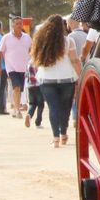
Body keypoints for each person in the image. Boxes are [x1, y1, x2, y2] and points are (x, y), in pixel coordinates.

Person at [31, 14, 81, 147]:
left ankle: (55, 137)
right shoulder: (68, 41)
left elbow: (35, 60)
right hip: (67, 78)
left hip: (47, 79)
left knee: (53, 108)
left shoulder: (41, 40)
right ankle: (63, 133)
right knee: (66, 108)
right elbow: (74, 60)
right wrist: (80, 75)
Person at [0, 18, 33, 119]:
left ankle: (15, 107)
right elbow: (0, 52)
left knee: (20, 89)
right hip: (11, 67)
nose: (19, 25)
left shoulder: (27, 37)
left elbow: (32, 50)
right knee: (16, 87)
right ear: (13, 25)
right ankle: (18, 110)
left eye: (20, 24)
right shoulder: (6, 37)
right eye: (17, 24)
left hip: (23, 67)